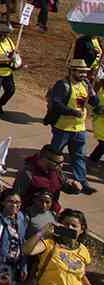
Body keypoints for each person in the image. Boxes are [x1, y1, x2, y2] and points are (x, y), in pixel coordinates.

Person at [22, 208, 96, 285]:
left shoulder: (84, 251)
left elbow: (79, 276)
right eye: (66, 224)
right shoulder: (49, 243)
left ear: (82, 229)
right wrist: (42, 232)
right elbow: (26, 250)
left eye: (73, 226)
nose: (69, 228)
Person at [44, 59, 98, 195]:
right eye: (80, 72)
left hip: (80, 129)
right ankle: (49, 178)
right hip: (63, 128)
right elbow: (56, 104)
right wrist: (72, 112)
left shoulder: (85, 84)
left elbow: (94, 102)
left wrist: (93, 93)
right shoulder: (62, 85)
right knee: (54, 155)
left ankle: (82, 182)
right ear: (72, 71)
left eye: (85, 72)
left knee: (79, 157)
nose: (83, 75)